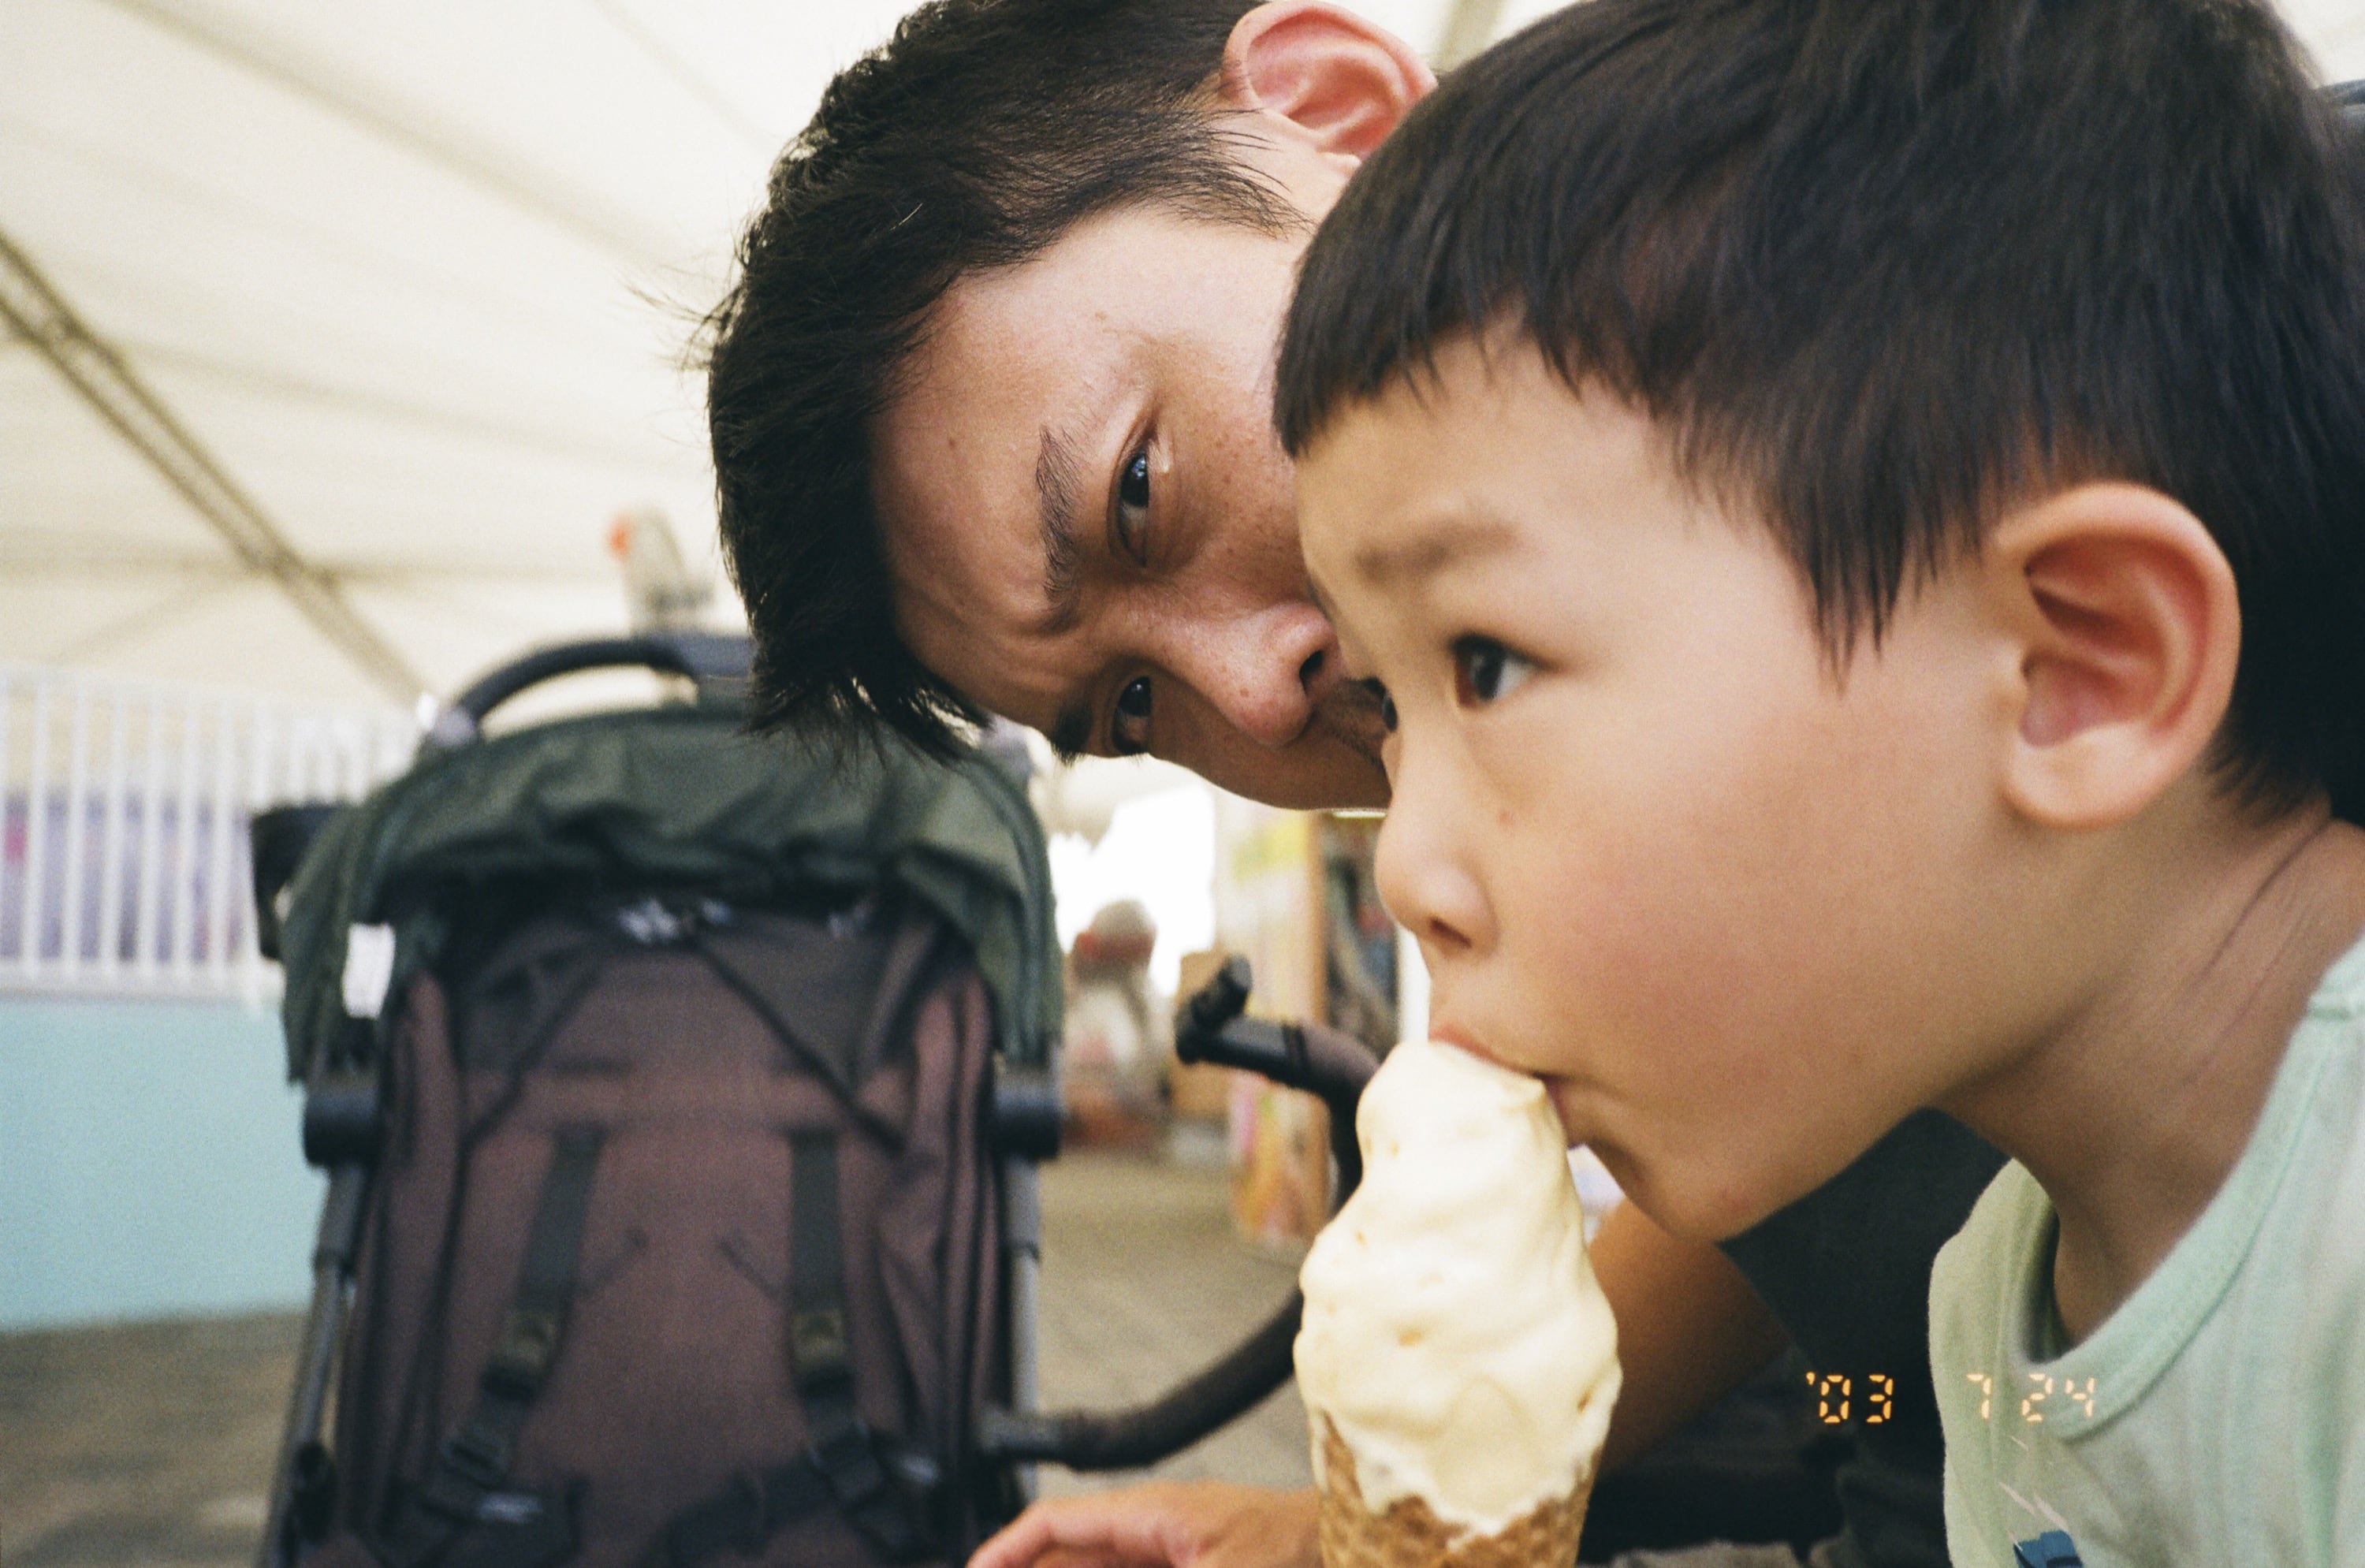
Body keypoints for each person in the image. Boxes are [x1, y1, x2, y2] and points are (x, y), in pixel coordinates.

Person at [701, 4, 2005, 1565]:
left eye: (1140, 486)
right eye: (1130, 705)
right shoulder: (1580, 845)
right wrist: (1355, 1516)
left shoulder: (2188, 362)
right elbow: (1844, 1221)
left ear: (1341, 115)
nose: (1250, 695)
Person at [1264, 0, 2365, 1561]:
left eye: (1486, 662)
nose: (1403, 869)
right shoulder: (1997, 1289)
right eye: (1388, 705)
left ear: (2078, 668)